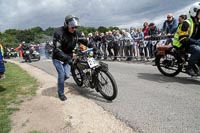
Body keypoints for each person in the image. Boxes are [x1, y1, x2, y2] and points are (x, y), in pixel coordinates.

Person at [52, 15, 88, 101]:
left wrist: (94, 47)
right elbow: (57, 49)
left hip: (68, 56)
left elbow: (86, 42)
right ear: (66, 24)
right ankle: (61, 93)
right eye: (72, 26)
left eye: (76, 26)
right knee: (61, 75)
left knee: (67, 75)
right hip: (58, 57)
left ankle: (60, 82)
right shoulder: (59, 32)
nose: (74, 28)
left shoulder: (77, 33)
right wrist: (67, 58)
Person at [173, 2, 200, 76]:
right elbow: (183, 39)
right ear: (194, 12)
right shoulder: (186, 23)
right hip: (180, 43)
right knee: (198, 50)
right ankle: (189, 67)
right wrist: (196, 42)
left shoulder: (198, 22)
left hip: (190, 42)